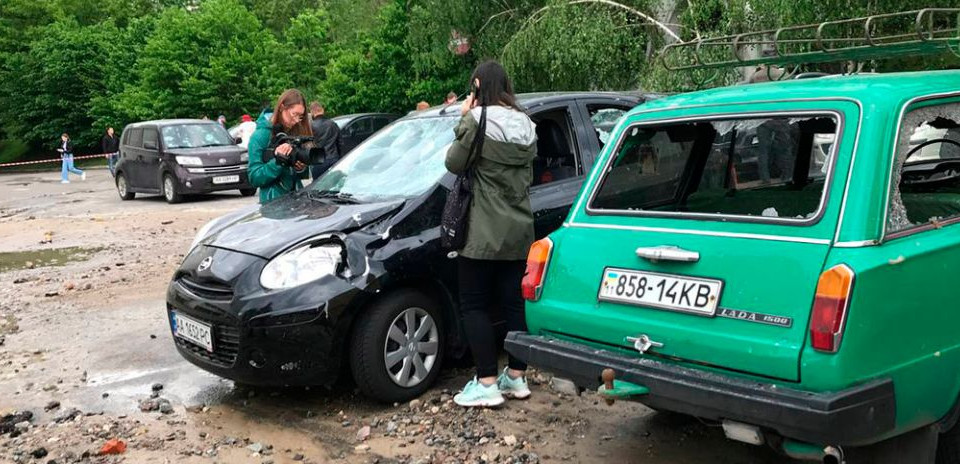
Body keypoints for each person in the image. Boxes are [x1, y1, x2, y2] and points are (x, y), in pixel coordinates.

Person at [445, 60, 537, 408]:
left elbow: (454, 163)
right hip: (519, 227)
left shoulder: (476, 119)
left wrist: (463, 118)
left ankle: (485, 382)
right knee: (515, 303)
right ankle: (516, 377)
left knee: (473, 304)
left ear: (479, 84)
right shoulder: (527, 124)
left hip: (483, 228)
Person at [247, 89, 312, 204]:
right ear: (282, 107)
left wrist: (300, 167)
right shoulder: (260, 136)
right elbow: (254, 178)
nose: (296, 120)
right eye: (294, 114)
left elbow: (296, 174)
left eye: (300, 116)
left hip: (296, 201)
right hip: (272, 205)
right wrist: (277, 162)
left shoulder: (292, 132)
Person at [307, 102, 342, 180]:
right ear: (322, 110)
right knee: (334, 185)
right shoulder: (333, 124)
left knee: (318, 187)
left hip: (318, 160)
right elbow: (340, 143)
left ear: (312, 112)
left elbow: (307, 145)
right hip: (334, 158)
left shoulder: (311, 126)